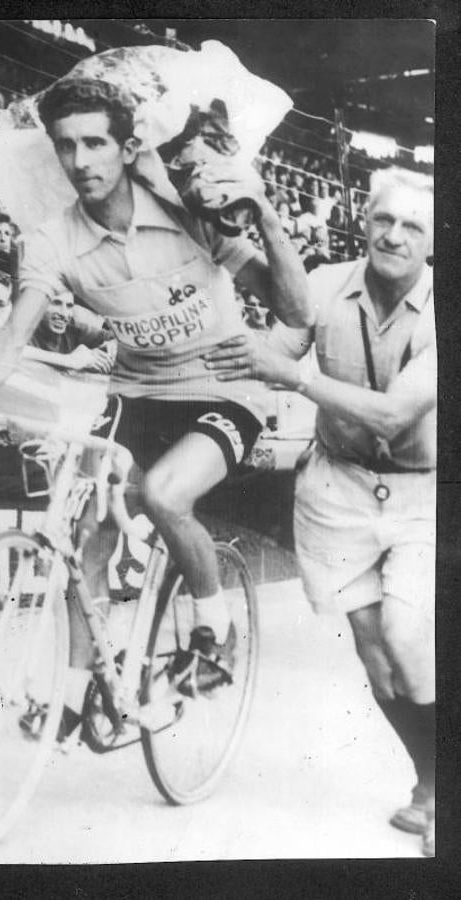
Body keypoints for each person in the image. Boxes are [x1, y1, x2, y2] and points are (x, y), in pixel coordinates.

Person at [0, 77, 310, 737]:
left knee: (163, 495)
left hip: (225, 388)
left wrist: (267, 216)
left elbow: (295, 311)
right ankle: (76, 696)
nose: (80, 161)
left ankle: (213, 633)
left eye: (95, 143)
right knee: (86, 534)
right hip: (136, 392)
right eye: (66, 146)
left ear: (128, 148)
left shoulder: (189, 213)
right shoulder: (52, 241)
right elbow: (11, 337)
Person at [203, 167, 435, 856]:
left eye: (412, 226)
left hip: (424, 491)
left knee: (407, 636)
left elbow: (393, 415)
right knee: (374, 652)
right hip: (336, 486)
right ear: (363, 219)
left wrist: (297, 376)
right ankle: (431, 782)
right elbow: (276, 348)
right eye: (383, 219)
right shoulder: (326, 283)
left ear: (433, 241)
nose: (393, 236)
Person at [25, 289, 114, 373]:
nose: (64, 314)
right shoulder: (24, 321)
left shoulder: (77, 322)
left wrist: (101, 351)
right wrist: (70, 360)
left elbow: (113, 334)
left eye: (69, 306)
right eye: (56, 303)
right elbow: (20, 350)